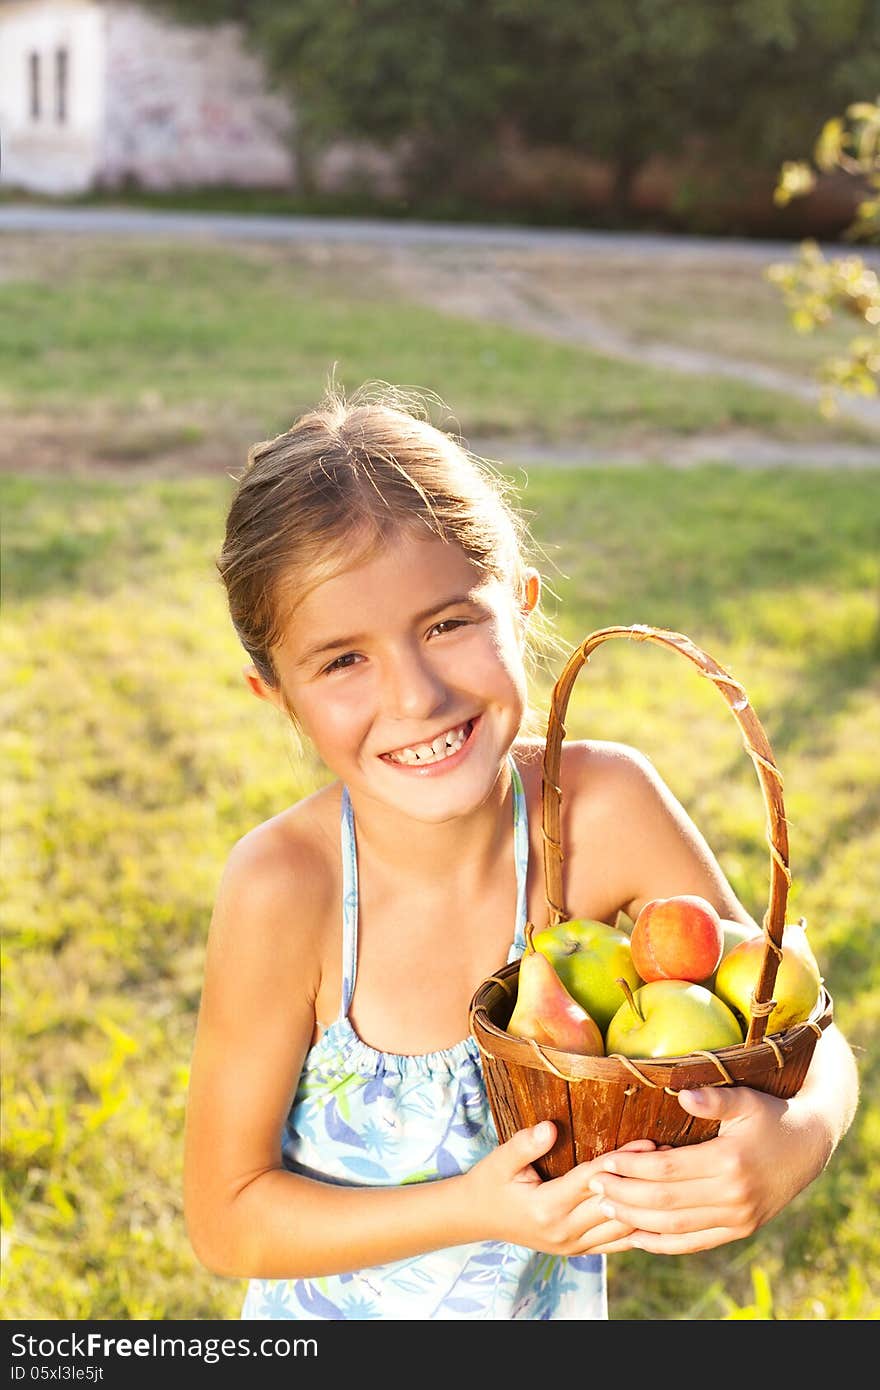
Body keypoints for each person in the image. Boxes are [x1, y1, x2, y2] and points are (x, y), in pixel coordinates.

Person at [183, 382, 858, 1321]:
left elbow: (795, 1025)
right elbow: (227, 1219)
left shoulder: (605, 807)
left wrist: (802, 1135)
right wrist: (475, 1209)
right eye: (344, 660)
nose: (414, 696)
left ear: (520, 604)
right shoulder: (286, 888)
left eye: (448, 623)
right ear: (278, 696)